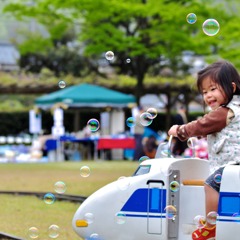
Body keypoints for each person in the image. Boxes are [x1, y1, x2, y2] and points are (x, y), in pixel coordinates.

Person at [168, 60, 240, 240]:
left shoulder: (225, 111)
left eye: (213, 89)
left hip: (232, 166)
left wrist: (180, 130)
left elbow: (201, 125)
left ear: (231, 87)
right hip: (233, 167)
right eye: (204, 92)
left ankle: (211, 226)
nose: (208, 95)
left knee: (210, 184)